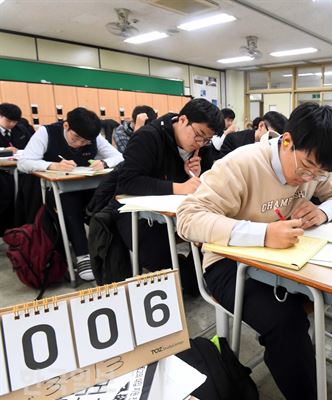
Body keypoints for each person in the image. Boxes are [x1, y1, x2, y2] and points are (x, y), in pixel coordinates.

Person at [176, 102, 332, 400]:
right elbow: (188, 219)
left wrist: (322, 211)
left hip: (284, 258)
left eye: (319, 172)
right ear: (286, 141)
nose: (309, 178)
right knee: (285, 321)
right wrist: (263, 234)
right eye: (307, 166)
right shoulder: (240, 165)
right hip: (227, 265)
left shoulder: (315, 165)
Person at [113, 98, 224, 294]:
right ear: (182, 120)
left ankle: (199, 278)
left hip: (178, 213)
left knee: (211, 240)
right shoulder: (149, 137)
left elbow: (206, 183)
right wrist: (179, 187)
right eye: (198, 135)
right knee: (162, 263)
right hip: (135, 213)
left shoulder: (202, 147)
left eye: (207, 139)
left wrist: (198, 175)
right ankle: (193, 278)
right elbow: (127, 181)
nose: (201, 143)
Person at [18, 107, 124, 281]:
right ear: (66, 125)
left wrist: (104, 162)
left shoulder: (93, 136)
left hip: (88, 187)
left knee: (106, 201)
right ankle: (83, 255)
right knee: (69, 202)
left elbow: (119, 157)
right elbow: (24, 162)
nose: (80, 144)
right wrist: (52, 166)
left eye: (85, 142)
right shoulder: (46, 132)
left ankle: (107, 250)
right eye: (76, 139)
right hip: (58, 190)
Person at [0, 103, 34, 234]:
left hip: (20, 170)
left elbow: (32, 146)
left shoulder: (21, 129)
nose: (12, 124)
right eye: (8, 121)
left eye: (15, 121)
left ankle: (21, 229)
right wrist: (4, 150)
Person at [220, 111, 287, 156]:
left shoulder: (276, 147)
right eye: (271, 136)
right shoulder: (233, 139)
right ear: (261, 125)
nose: (272, 142)